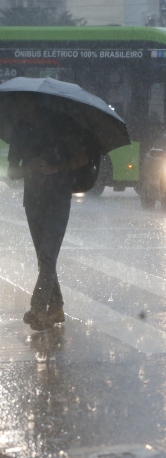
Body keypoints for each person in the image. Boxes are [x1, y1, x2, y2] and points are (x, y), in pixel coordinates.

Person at [6, 94, 89, 331]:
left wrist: (55, 168)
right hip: (32, 201)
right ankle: (57, 306)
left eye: (23, 104)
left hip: (58, 199)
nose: (20, 108)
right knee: (44, 258)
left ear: (34, 104)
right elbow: (12, 172)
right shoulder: (20, 130)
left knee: (48, 256)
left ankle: (37, 308)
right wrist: (28, 167)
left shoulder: (61, 126)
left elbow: (82, 158)